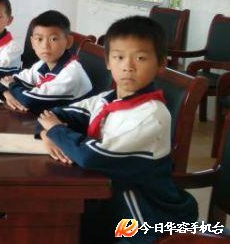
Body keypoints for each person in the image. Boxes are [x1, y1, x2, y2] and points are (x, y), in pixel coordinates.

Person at [37, 16, 198, 243]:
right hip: (110, 202)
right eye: (119, 57)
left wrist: (55, 131)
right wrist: (46, 132)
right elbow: (52, 114)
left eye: (140, 58)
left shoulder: (151, 115)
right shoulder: (106, 100)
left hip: (145, 219)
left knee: (61, 226)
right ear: (108, 62)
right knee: (49, 221)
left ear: (161, 64)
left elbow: (93, 157)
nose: (127, 66)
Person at [0, 10, 92, 113]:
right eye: (39, 39)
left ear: (68, 42)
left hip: (70, 122)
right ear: (32, 43)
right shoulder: (42, 64)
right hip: (48, 116)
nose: (45, 46)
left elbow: (30, 101)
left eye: (53, 39)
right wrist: (7, 93)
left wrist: (11, 86)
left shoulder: (71, 74)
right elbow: (5, 81)